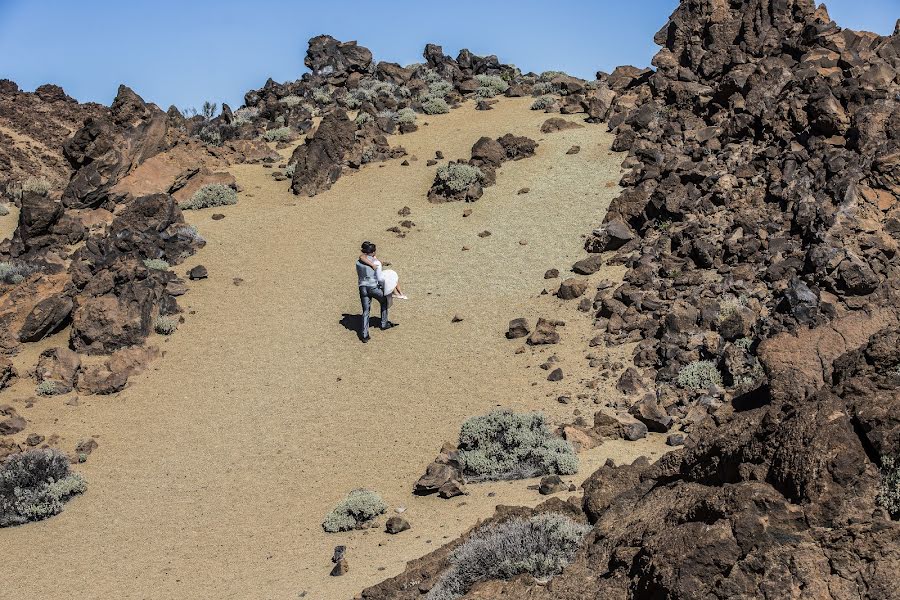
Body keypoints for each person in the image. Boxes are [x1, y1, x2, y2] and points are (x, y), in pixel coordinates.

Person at [356, 241, 400, 343]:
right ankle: (383, 323)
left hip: (362, 287)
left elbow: (361, 257)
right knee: (384, 300)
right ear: (373, 252)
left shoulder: (359, 262)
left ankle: (364, 335)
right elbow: (380, 279)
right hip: (373, 287)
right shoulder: (376, 263)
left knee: (366, 311)